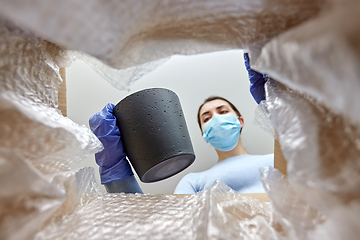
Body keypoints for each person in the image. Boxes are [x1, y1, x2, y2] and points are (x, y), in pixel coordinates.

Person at [89, 52, 270, 194]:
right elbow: (163, 227)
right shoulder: (194, 181)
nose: (216, 118)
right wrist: (117, 176)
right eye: (206, 118)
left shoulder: (275, 159)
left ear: (240, 121)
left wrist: (282, 112)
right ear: (204, 134)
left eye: (223, 111)